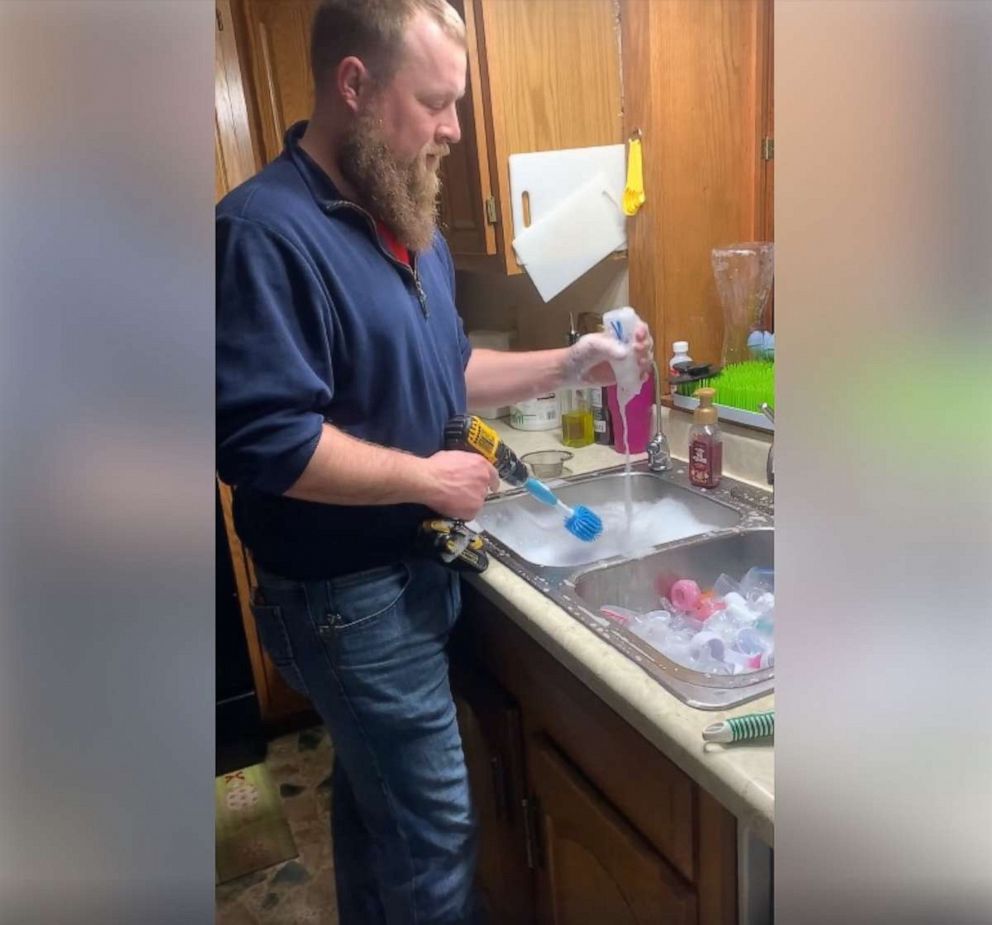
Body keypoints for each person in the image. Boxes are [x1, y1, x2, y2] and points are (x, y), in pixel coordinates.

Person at [216, 1, 652, 921]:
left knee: (382, 816)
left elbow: (447, 367)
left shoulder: (401, 214)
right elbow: (264, 442)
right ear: (355, 86)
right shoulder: (264, 230)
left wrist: (572, 361)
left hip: (400, 576)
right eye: (436, 102)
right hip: (343, 598)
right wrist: (426, 477)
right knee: (437, 832)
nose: (455, 128)